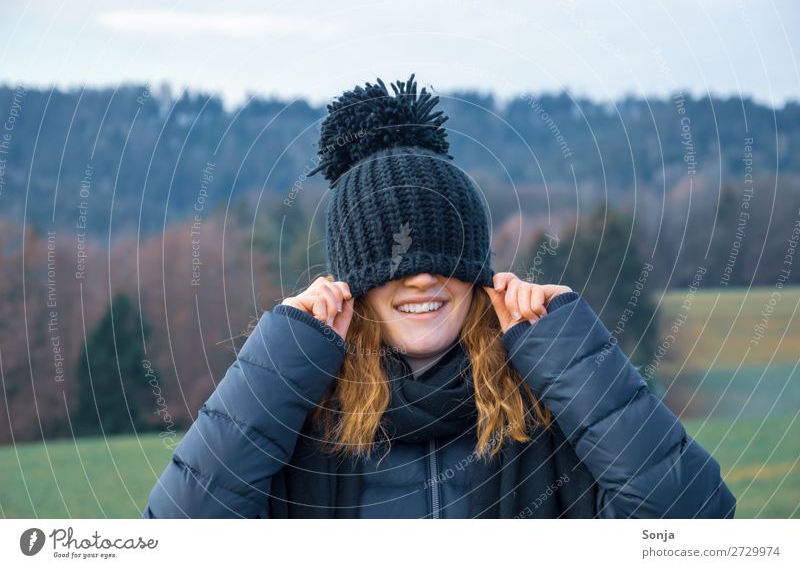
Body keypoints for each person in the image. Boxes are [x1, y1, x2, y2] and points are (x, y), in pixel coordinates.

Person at [142, 74, 736, 519]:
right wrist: (280, 356)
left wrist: (570, 347)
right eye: (391, 265)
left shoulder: (549, 413)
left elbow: (693, 521)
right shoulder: (303, 427)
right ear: (351, 284)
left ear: (477, 271)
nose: (421, 280)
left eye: (441, 259)